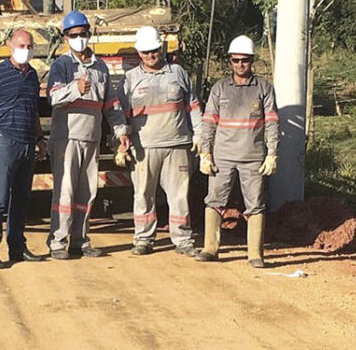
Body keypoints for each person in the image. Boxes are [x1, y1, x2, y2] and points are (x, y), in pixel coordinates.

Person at [46, 10, 131, 259]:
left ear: (89, 34)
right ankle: (58, 242)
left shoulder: (100, 67)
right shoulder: (62, 66)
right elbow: (52, 96)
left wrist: (120, 130)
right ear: (65, 38)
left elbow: (111, 105)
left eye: (83, 34)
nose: (79, 39)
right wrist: (75, 88)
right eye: (73, 35)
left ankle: (80, 240)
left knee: (87, 193)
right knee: (65, 192)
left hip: (91, 138)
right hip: (67, 138)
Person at [116, 26, 202, 256]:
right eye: (146, 52)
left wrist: (200, 136)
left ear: (161, 48)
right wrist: (122, 137)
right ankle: (143, 239)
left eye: (154, 50)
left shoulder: (178, 73)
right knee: (143, 194)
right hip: (144, 147)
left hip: (177, 145)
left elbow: (193, 106)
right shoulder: (130, 79)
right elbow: (120, 113)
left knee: (179, 195)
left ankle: (183, 240)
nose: (151, 55)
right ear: (139, 53)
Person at [195, 35, 279, 267]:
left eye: (245, 60)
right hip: (222, 157)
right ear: (230, 61)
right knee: (214, 201)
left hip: (253, 158)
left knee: (255, 205)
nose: (240, 64)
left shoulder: (264, 89)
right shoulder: (220, 88)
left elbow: (272, 122)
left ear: (252, 61)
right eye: (236, 60)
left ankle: (255, 254)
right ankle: (211, 248)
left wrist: (272, 153)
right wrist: (205, 152)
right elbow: (209, 121)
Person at [0, 28, 48, 269]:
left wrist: (39, 138)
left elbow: (34, 110)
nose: (25, 51)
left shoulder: (32, 76)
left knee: (21, 200)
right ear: (10, 46)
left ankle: (17, 247)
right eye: (20, 46)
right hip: (5, 143)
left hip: (28, 144)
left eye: (29, 47)